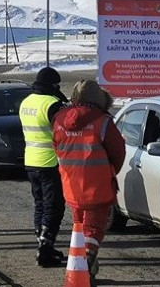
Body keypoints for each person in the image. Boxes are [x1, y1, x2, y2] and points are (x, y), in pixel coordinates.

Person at [52, 80, 126, 282]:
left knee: (79, 227)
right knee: (93, 229)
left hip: (71, 186)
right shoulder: (103, 122)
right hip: (97, 187)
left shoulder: (59, 119)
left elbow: (56, 148)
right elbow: (118, 152)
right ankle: (85, 268)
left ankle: (82, 266)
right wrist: (110, 172)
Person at [19, 66, 68, 267]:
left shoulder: (26, 102)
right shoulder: (52, 104)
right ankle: (45, 250)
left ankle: (42, 243)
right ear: (53, 85)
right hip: (50, 162)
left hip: (31, 160)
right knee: (54, 206)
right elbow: (64, 133)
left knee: (40, 204)